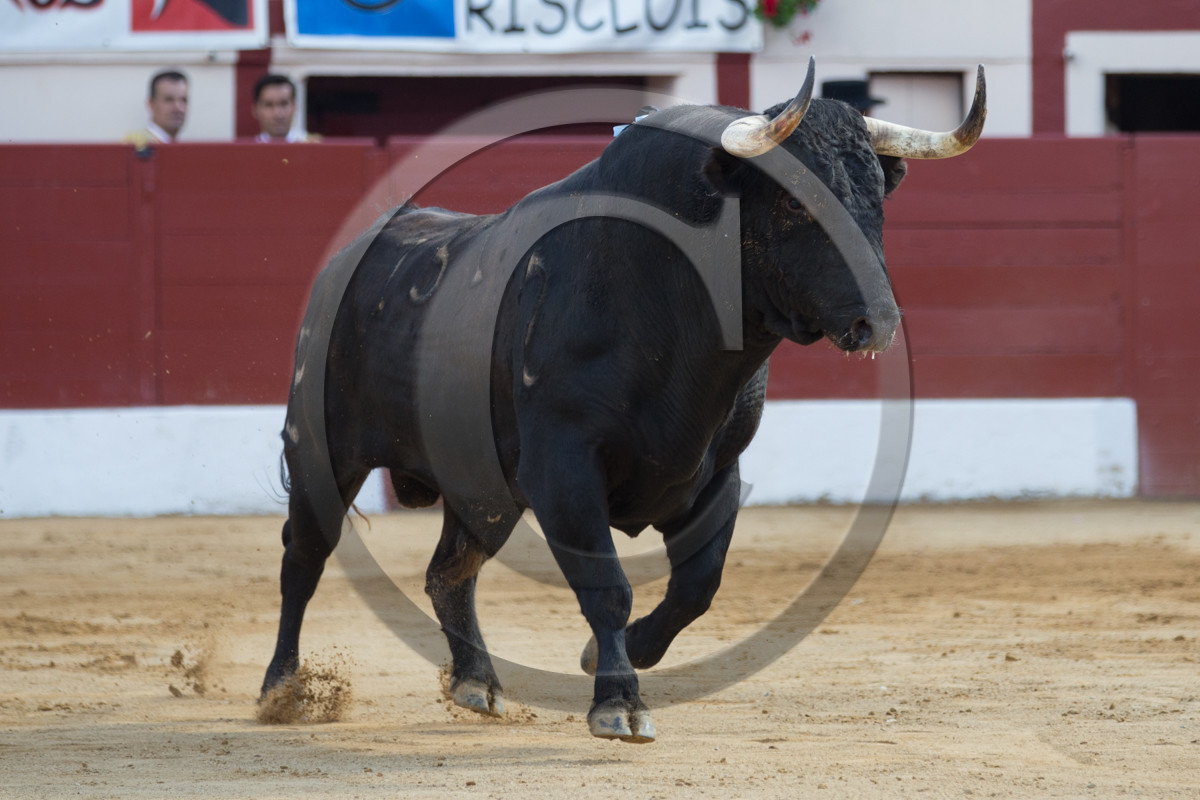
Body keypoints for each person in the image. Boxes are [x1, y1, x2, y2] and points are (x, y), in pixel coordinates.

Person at [123, 70, 188, 148]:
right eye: (169, 100)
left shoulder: (184, 149)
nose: (178, 108)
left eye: (184, 100)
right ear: (151, 104)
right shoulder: (135, 146)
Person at [252, 74, 320, 143]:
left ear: (295, 107)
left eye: (284, 104)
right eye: (269, 105)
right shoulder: (249, 150)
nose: (277, 113)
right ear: (255, 110)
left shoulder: (313, 145)